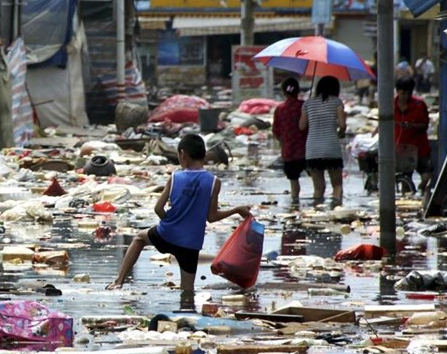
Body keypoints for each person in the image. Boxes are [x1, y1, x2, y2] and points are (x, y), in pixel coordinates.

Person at [105, 134, 251, 292]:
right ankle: (187, 310)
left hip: (167, 234)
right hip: (191, 244)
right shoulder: (214, 182)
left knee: (139, 239)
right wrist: (236, 210)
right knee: (187, 292)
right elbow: (212, 217)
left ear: (183, 154)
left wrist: (169, 221)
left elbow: (158, 209)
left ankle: (119, 281)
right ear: (203, 155)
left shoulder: (175, 177)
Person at [299, 76, 346, 206]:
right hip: (331, 147)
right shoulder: (337, 102)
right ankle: (337, 213)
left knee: (318, 188)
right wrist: (340, 133)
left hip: (313, 149)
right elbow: (342, 125)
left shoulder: (308, 103)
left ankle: (316, 215)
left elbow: (302, 126)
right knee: (337, 185)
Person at [272, 77, 307, 204]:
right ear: (298, 91)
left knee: (293, 181)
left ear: (283, 92)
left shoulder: (280, 109)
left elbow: (276, 130)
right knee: (316, 179)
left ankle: (295, 203)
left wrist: (283, 142)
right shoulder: (304, 106)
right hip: (306, 150)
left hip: (289, 151)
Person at [395, 77, 433, 193]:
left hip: (420, 146)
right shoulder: (391, 105)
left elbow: (425, 125)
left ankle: (423, 191)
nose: (406, 96)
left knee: (427, 177)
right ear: (397, 91)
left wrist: (412, 126)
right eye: (403, 93)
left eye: (408, 93)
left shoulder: (419, 105)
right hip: (402, 148)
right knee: (405, 180)